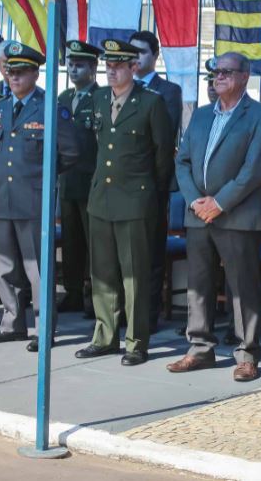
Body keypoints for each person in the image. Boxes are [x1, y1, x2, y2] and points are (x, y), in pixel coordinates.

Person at [168, 52, 261, 381]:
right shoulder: (200, 116)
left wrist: (220, 203)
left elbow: (254, 169)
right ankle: (200, 348)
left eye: (227, 72)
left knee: (242, 288)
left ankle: (246, 355)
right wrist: (194, 201)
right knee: (198, 285)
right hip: (199, 214)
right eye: (216, 71)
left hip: (238, 216)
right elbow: (182, 161)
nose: (219, 76)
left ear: (245, 76)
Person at [74, 39, 174, 366]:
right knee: (102, 273)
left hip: (135, 200)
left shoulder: (150, 103)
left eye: (119, 65)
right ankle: (104, 336)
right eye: (108, 65)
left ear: (134, 67)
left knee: (134, 276)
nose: (111, 71)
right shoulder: (100, 99)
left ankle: (136, 341)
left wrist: (150, 195)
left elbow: (162, 157)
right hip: (101, 198)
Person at [0, 41, 80, 352]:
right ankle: (12, 323)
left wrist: (40, 178)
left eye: (21, 72)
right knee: (5, 266)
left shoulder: (50, 107)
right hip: (4, 200)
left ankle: (43, 329)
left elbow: (70, 152)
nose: (14, 78)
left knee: (37, 269)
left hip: (33, 201)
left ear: (36, 74)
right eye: (11, 72)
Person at [129, 30, 183, 333]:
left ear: (155, 55)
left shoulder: (168, 91)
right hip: (122, 184)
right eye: (132, 53)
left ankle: (147, 315)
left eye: (142, 52)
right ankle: (123, 312)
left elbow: (165, 139)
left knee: (150, 252)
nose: (136, 59)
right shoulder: (119, 86)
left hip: (152, 184)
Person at [57, 40, 101, 315]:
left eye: (80, 65)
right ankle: (72, 292)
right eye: (71, 65)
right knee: (71, 241)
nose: (74, 70)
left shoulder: (101, 97)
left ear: (93, 68)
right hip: (67, 180)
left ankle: (96, 296)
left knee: (95, 243)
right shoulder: (62, 98)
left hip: (92, 181)